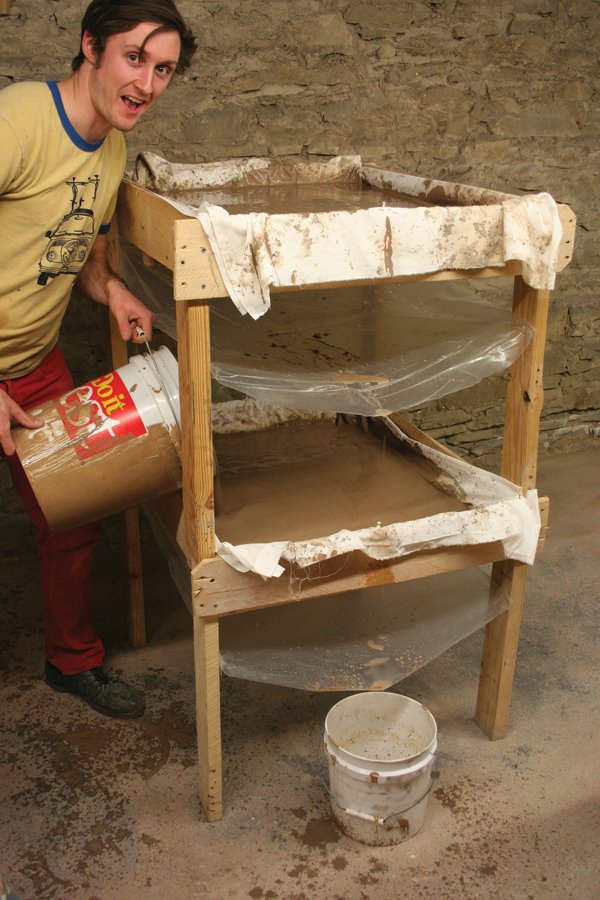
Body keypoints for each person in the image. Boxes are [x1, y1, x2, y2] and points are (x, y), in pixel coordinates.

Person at [0, 0, 196, 718]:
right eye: (136, 58)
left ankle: (70, 662)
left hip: (34, 360)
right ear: (91, 46)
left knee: (74, 516)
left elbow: (79, 255)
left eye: (164, 69)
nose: (147, 83)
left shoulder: (111, 146)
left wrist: (110, 291)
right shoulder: (19, 120)